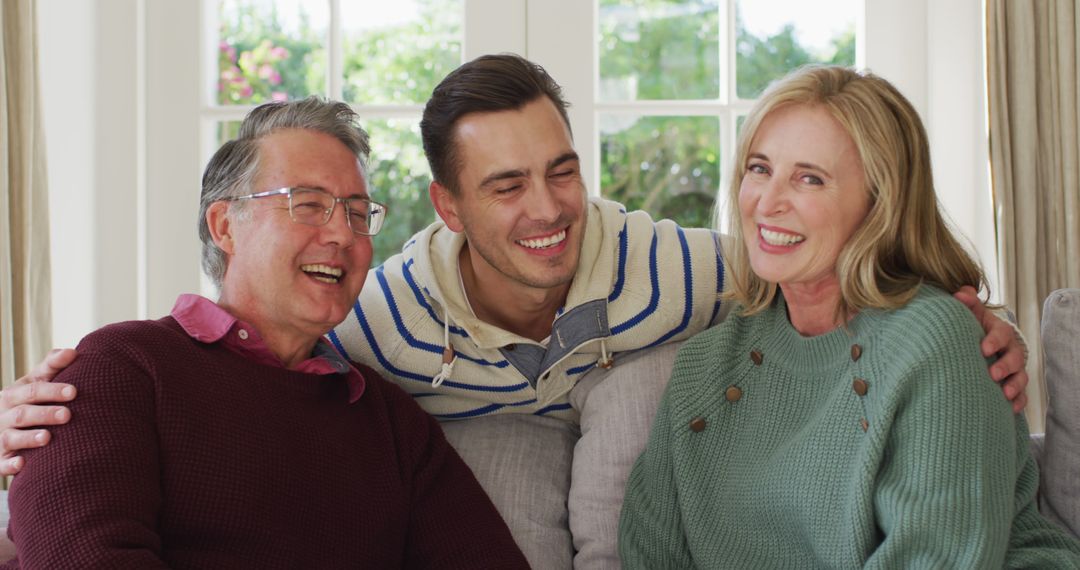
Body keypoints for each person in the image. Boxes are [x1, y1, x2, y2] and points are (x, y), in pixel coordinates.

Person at [1, 55, 1030, 567]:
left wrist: (978, 321)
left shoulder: (677, 276)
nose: (545, 212)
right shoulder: (359, 330)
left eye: (356, 211)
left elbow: (847, 290)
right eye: (308, 205)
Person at [0, 98, 529, 569]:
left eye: (357, 212)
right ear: (225, 226)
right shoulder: (120, 368)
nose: (343, 234)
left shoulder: (389, 421)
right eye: (309, 204)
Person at [618, 65, 1080, 567]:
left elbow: (937, 559)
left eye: (809, 178)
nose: (768, 203)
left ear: (880, 203)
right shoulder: (704, 367)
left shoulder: (933, 341)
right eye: (759, 168)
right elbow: (650, 552)